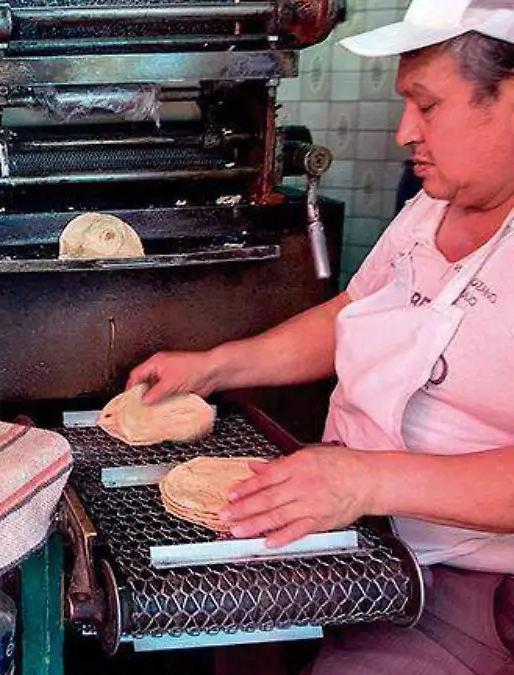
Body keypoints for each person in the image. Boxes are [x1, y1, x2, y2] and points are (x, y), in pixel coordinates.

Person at [127, 1, 514, 672]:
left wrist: (366, 480)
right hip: (346, 531)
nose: (403, 133)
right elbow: (350, 315)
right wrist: (214, 368)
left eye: (427, 105)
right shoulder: (429, 209)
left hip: (459, 594)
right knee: (219, 638)